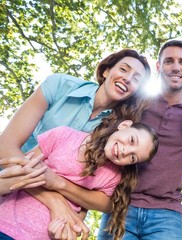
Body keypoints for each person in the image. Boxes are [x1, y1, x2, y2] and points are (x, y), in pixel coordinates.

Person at [0, 48, 151, 238]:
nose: (128, 78)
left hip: (42, 220)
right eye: (124, 69)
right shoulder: (60, 85)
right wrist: (54, 200)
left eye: (136, 79)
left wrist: (70, 210)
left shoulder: (112, 137)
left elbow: (97, 192)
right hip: (8, 180)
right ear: (106, 71)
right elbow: (5, 148)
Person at [98, 39, 182, 239]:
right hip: (120, 203)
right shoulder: (136, 101)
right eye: (169, 61)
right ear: (159, 66)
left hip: (166, 213)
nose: (176, 67)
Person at [0, 119, 159, 240]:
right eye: (132, 140)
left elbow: (81, 213)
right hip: (5, 224)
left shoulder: (113, 177)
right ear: (124, 125)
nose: (125, 151)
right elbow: (13, 175)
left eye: (132, 157)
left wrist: (63, 235)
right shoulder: (63, 136)